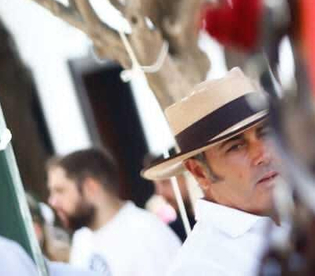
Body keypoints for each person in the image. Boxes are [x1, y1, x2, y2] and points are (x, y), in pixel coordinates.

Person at [142, 69, 280, 276]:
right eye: (236, 146)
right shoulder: (201, 268)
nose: (263, 154)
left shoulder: (306, 213)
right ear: (199, 172)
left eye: (265, 133)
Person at [45, 148, 180, 275]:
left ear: (90, 187)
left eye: (60, 191)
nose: (52, 201)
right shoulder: (81, 239)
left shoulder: (146, 232)